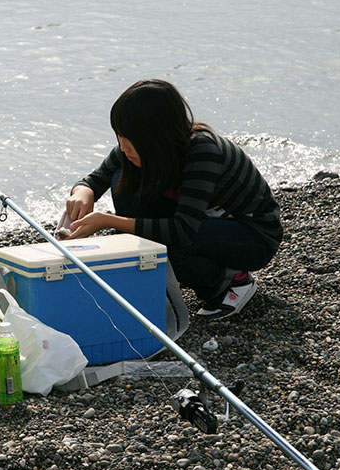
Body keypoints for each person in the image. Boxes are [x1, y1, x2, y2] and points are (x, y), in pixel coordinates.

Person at [64, 79, 282, 320]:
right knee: (121, 178)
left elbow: (182, 231)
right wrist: (83, 193)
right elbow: (93, 181)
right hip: (203, 223)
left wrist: (110, 221)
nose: (122, 147)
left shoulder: (203, 151)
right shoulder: (135, 149)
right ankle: (159, 273)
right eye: (119, 137)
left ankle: (230, 281)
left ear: (154, 137)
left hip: (252, 234)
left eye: (128, 138)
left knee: (167, 247)